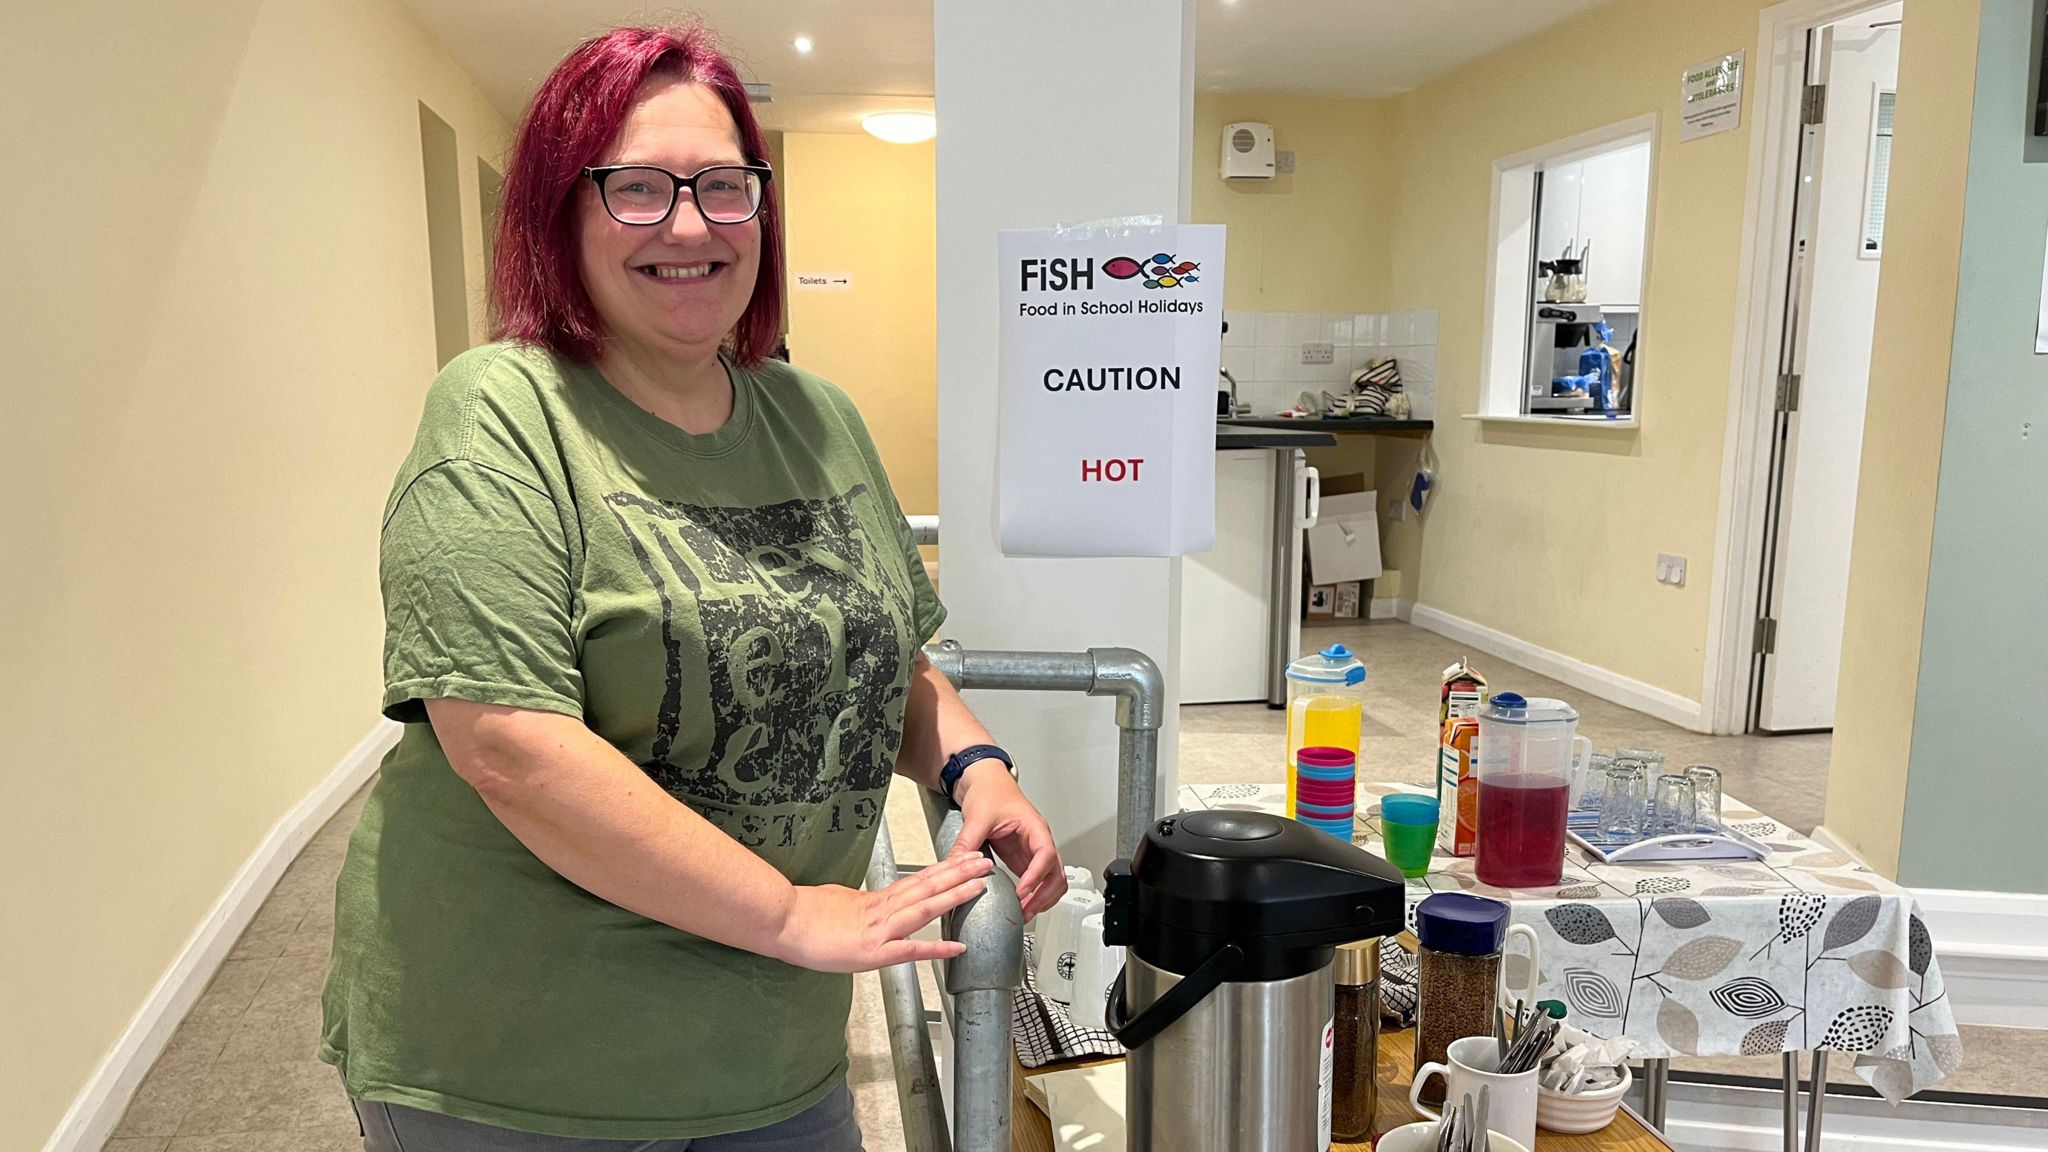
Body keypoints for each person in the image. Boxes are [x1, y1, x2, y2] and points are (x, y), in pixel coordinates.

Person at [319, 24, 1066, 1149]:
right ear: (558, 214)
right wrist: (788, 912)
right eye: (636, 189)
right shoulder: (501, 413)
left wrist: (975, 765)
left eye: (722, 186)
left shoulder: (817, 417)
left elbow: (889, 660)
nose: (688, 224)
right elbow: (507, 746)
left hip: (772, 1044)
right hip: (523, 1059)